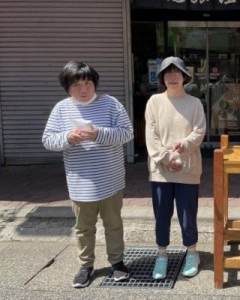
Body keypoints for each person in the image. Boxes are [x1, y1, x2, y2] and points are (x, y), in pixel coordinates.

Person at [42, 61, 134, 288]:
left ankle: (117, 262)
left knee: (113, 224)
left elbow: (127, 133)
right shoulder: (61, 109)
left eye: (87, 83)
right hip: (80, 183)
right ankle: (86, 265)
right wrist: (67, 138)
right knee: (84, 228)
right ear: (67, 87)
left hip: (110, 180)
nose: (83, 89)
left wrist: (98, 134)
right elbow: (47, 140)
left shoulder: (111, 104)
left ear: (94, 84)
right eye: (76, 85)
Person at [145, 56, 206, 280]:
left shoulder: (194, 103)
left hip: (188, 168)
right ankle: (162, 255)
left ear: (184, 77)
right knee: (161, 214)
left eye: (177, 73)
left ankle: (192, 252)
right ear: (162, 77)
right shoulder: (154, 102)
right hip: (161, 170)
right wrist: (165, 157)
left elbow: (199, 131)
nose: (172, 77)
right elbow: (150, 135)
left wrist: (186, 145)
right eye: (168, 73)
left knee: (187, 214)